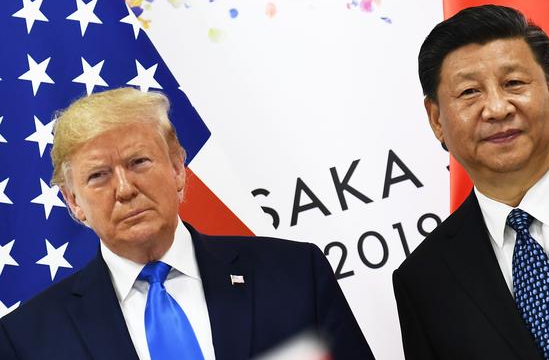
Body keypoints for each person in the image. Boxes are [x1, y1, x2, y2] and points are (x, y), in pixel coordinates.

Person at [0, 87, 374, 360]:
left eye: (139, 162)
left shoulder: (294, 274)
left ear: (178, 168)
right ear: (74, 202)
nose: (125, 189)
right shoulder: (28, 339)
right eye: (98, 175)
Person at [393, 4, 549, 360]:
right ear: (436, 119)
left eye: (513, 83)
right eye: (469, 92)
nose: (497, 108)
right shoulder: (424, 279)